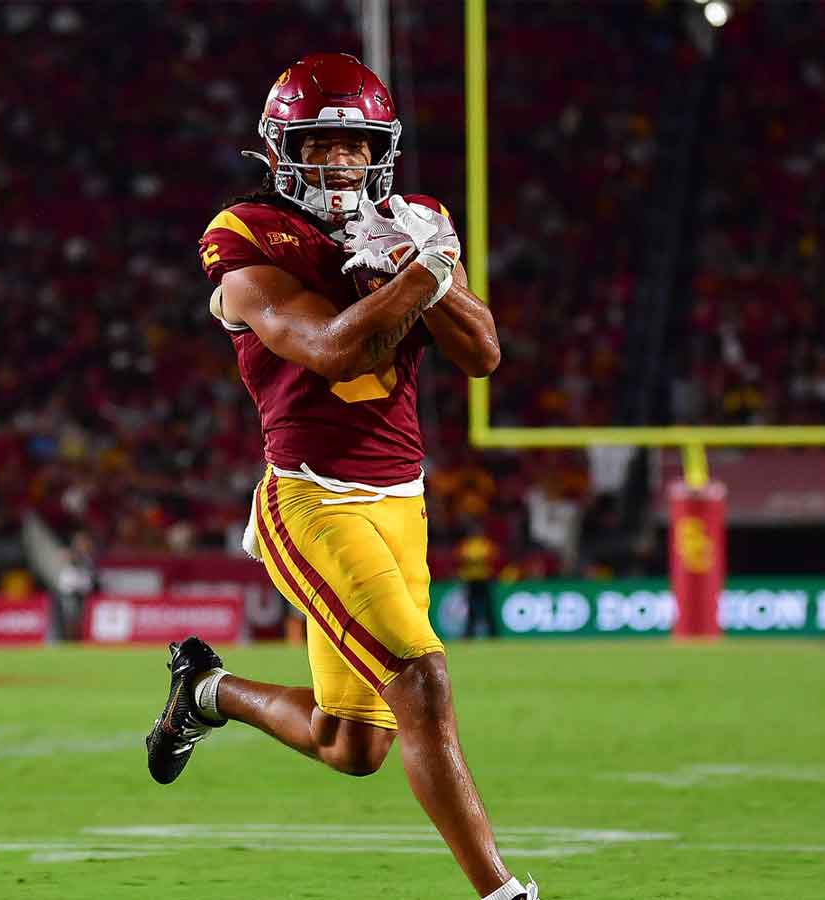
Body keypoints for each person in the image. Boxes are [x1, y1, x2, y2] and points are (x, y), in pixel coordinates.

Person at [144, 54, 535, 900]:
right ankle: (503, 894)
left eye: (355, 147)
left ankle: (205, 691)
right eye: (319, 144)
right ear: (282, 150)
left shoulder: (415, 217)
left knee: (353, 745)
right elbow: (332, 348)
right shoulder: (245, 233)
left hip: (403, 505)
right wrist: (418, 276)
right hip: (313, 498)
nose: (341, 164)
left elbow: (482, 354)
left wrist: (422, 262)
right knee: (422, 682)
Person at [456, 523, 500, 638]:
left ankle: (493, 633)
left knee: (488, 608)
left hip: (484, 579)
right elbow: (461, 559)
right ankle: (469, 633)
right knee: (471, 608)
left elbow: (491, 558)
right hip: (471, 580)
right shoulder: (467, 545)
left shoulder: (486, 544)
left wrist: (474, 560)